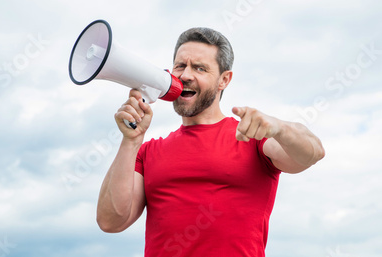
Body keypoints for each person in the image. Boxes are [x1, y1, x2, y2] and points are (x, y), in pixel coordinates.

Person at [96, 27, 325, 257]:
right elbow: (111, 221)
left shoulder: (250, 136)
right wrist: (130, 141)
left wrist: (279, 128)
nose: (185, 75)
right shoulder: (147, 151)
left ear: (224, 80)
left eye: (199, 68)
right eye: (180, 66)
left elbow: (312, 153)